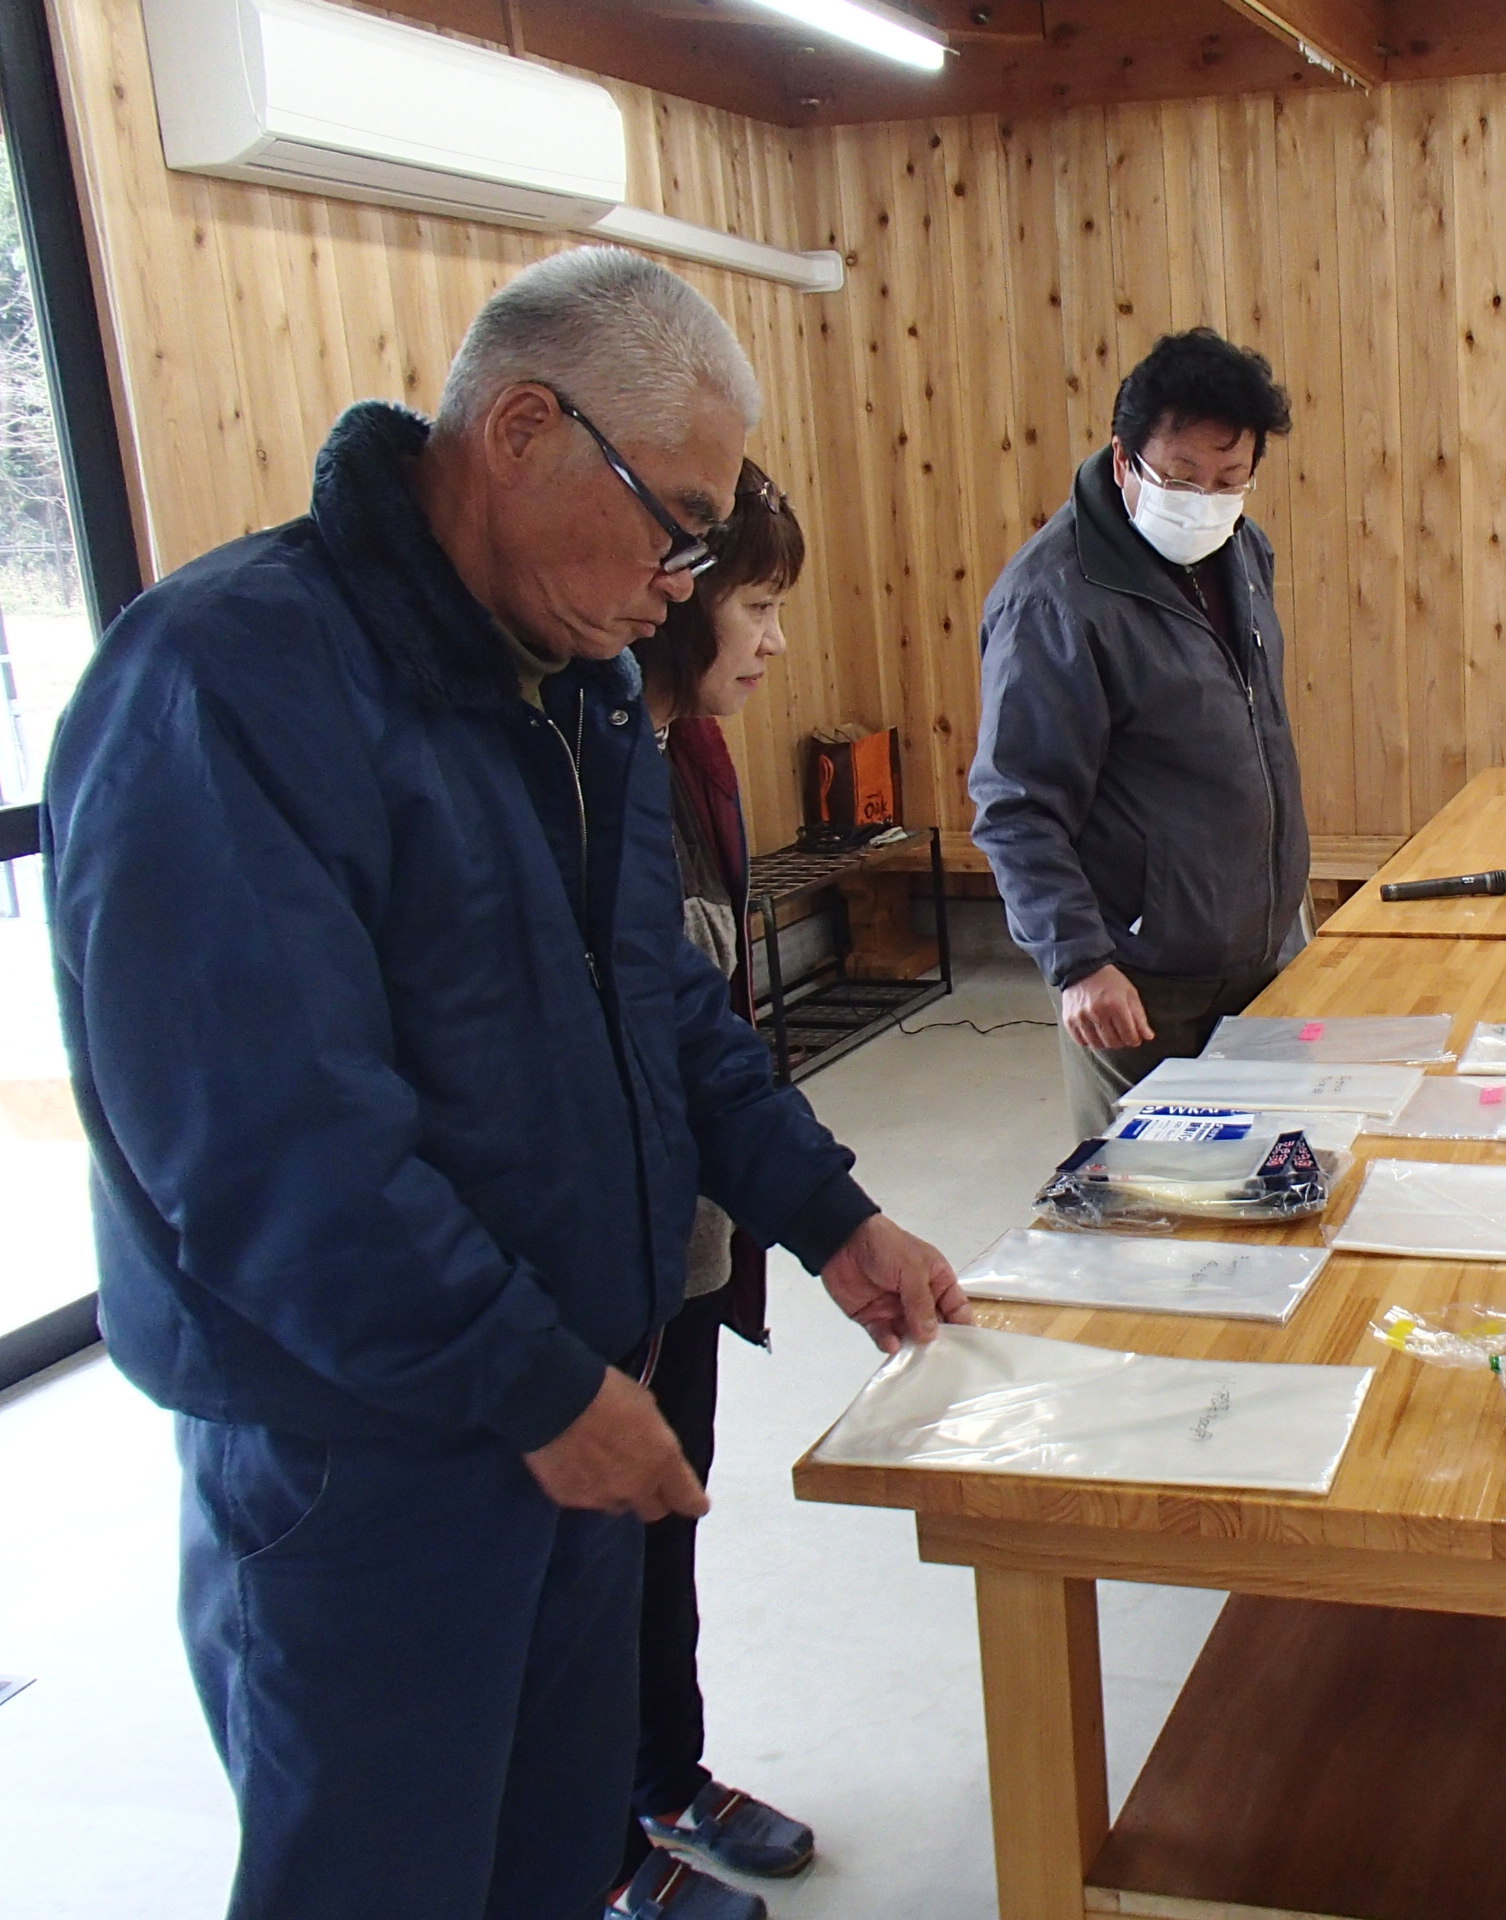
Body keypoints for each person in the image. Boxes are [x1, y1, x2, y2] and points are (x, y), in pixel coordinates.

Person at [43, 248, 966, 1920]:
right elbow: (271, 1148)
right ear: (523, 427)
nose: (684, 585)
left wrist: (827, 1210)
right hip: (368, 1448)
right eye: (672, 521)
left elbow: (661, 1004)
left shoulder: (582, 682)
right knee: (385, 1875)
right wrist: (532, 1385)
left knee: (550, 1864)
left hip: (564, 1398)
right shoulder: (225, 684)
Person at [617, 458, 825, 1911]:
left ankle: (666, 1775)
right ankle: (609, 1845)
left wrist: (826, 1212)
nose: (771, 639)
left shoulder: (690, 752)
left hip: (686, 1235)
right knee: (598, 1554)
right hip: (598, 1260)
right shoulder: (600, 757)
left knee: (670, 1507)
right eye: (755, 604)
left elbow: (706, 1028)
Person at [970, 327, 1308, 1140]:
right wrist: (1079, 963)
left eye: (1231, 480)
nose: (1206, 500)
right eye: (1182, 477)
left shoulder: (1241, 550)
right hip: (1137, 982)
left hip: (1258, 950)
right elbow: (1015, 805)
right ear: (1125, 460)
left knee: (1276, 1180)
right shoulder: (1054, 600)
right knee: (1151, 1199)